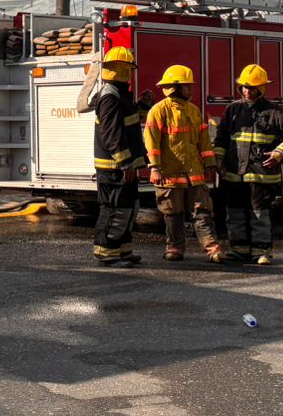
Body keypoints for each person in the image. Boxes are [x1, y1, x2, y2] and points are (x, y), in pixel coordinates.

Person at [215, 64, 283, 265]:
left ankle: (262, 252)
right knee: (235, 213)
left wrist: (279, 153)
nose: (247, 91)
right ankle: (239, 250)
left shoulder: (274, 112)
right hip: (234, 174)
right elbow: (221, 138)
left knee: (260, 215)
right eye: (244, 87)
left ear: (261, 88)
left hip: (262, 174)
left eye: (252, 88)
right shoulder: (232, 110)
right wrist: (218, 158)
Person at [144, 65, 226, 263]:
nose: (191, 89)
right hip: (169, 174)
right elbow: (152, 142)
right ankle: (174, 247)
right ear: (176, 87)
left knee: (202, 212)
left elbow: (204, 141)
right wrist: (155, 167)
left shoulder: (193, 110)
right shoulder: (158, 111)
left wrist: (210, 164)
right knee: (172, 213)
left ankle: (212, 249)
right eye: (188, 86)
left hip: (194, 174)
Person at [88, 45, 145, 266]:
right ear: (123, 69)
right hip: (114, 169)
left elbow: (129, 120)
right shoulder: (110, 96)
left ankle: (123, 250)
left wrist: (144, 106)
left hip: (120, 168)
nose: (130, 73)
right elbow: (112, 133)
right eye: (128, 68)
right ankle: (107, 252)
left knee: (128, 209)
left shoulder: (119, 93)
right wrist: (125, 163)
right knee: (114, 211)